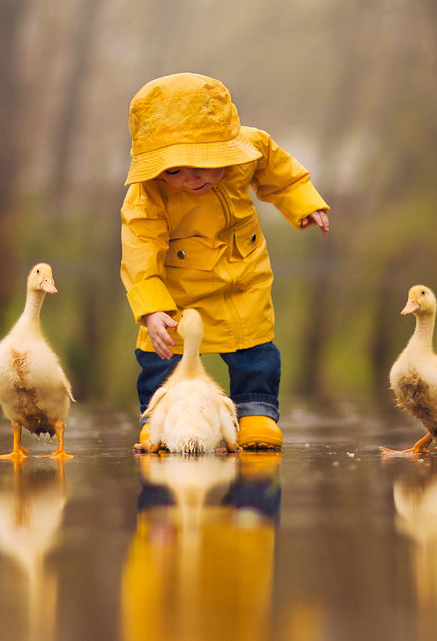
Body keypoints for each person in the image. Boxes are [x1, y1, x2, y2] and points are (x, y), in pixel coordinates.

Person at [120, 72, 330, 451]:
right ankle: (159, 420)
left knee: (256, 353)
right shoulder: (147, 196)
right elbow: (139, 251)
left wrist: (305, 204)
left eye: (203, 164)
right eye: (174, 170)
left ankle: (256, 413)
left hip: (242, 281)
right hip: (177, 291)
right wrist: (151, 309)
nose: (191, 178)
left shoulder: (251, 148)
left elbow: (282, 175)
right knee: (161, 358)